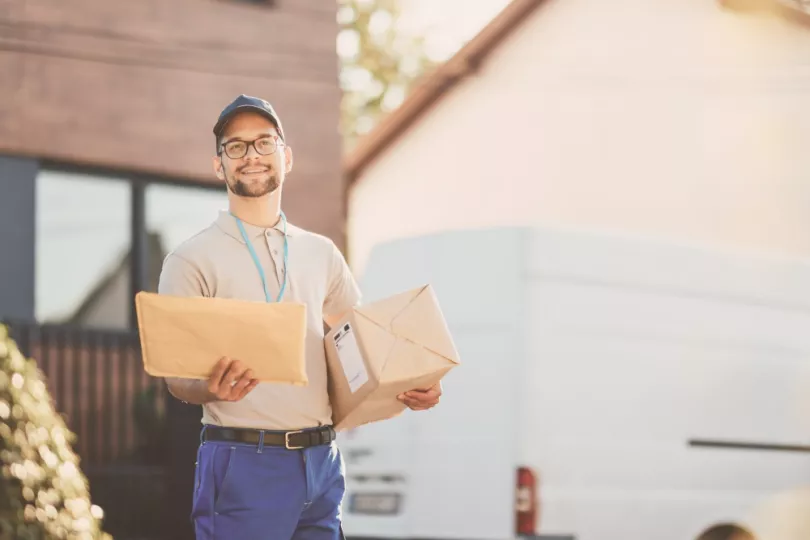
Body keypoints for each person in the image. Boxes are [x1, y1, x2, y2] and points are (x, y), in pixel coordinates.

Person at [158, 94, 442, 540]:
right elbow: (175, 375)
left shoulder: (320, 252)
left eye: (264, 143)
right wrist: (207, 387)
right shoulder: (191, 259)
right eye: (236, 146)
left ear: (286, 157)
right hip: (243, 461)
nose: (251, 155)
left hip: (321, 463)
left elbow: (364, 340)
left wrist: (412, 379)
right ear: (219, 166)